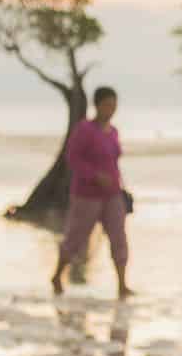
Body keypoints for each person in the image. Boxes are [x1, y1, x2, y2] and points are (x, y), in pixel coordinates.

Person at [51, 86, 131, 298]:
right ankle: (57, 275)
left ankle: (122, 285)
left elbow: (114, 162)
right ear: (97, 105)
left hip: (113, 194)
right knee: (75, 237)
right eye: (107, 105)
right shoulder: (84, 130)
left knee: (119, 237)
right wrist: (94, 175)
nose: (111, 109)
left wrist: (121, 186)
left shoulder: (113, 132)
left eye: (114, 105)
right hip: (86, 194)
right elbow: (73, 158)